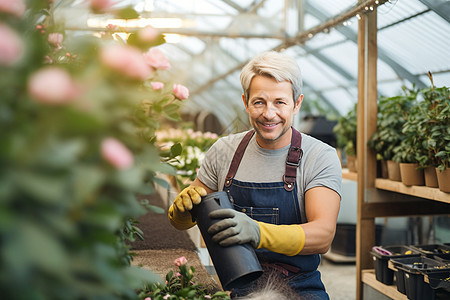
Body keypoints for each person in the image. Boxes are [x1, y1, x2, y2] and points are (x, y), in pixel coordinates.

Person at [168, 50, 342, 299]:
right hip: (237, 285)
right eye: (259, 102)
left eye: (280, 102)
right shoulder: (223, 152)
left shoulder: (319, 156)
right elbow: (189, 216)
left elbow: (323, 235)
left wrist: (258, 232)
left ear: (297, 103)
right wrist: (182, 212)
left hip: (300, 287)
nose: (269, 114)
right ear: (245, 102)